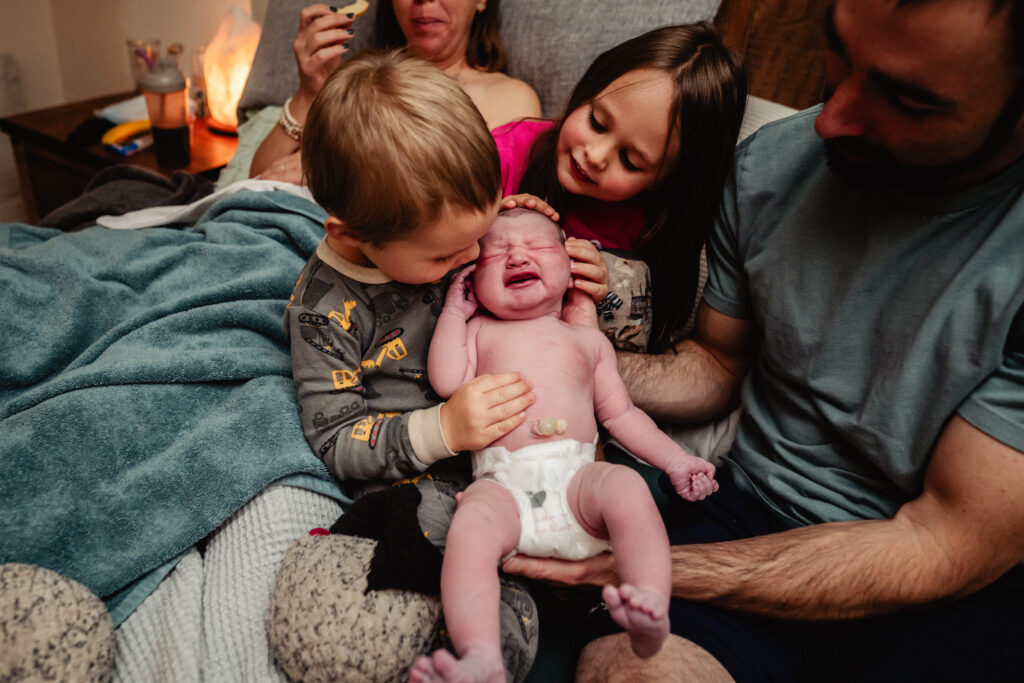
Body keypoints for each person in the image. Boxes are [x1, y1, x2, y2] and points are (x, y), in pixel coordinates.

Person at [503, 0, 1024, 680]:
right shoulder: (771, 165)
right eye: (839, 52)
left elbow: (943, 542)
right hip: (742, 509)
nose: (829, 119)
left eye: (909, 101)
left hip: (948, 588)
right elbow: (719, 364)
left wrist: (643, 567)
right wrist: (567, 359)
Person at [284, 48, 543, 677]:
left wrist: (532, 238)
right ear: (350, 235)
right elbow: (336, 438)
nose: (469, 259)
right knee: (465, 575)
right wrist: (442, 430)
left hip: (524, 449)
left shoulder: (454, 228)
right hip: (425, 482)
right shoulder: (326, 312)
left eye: (478, 236)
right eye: (444, 256)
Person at [410, 208, 718, 682]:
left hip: (578, 481)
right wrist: (455, 312)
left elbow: (621, 415)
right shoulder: (480, 330)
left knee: (626, 487)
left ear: (571, 266)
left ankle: (648, 601)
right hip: (503, 485)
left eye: (536, 246)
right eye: (495, 253)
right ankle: (481, 656)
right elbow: (447, 380)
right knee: (468, 529)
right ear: (472, 281)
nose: (516, 256)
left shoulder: (588, 341)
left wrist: (675, 460)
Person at [495, 23, 746, 353]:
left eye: (630, 161)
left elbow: (642, 341)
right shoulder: (504, 155)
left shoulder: (647, 233)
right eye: (597, 122)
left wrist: (611, 289)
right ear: (588, 89)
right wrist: (487, 222)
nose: (596, 156)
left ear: (665, 180)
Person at [251, 0, 541, 183]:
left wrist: (332, 172)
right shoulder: (358, 80)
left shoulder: (510, 98)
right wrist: (309, 93)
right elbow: (257, 183)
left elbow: (463, 202)